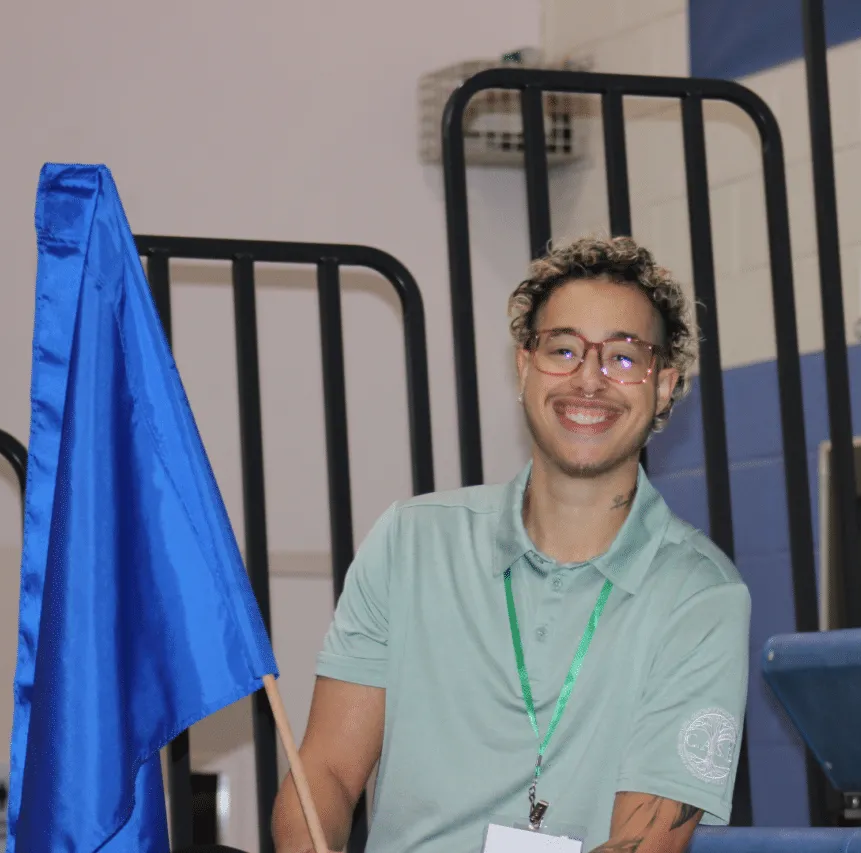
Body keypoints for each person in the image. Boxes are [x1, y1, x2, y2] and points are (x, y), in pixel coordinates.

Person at [271, 235, 751, 853]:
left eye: (625, 358)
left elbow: (645, 843)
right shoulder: (409, 542)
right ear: (524, 367)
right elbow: (327, 771)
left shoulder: (702, 596)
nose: (589, 380)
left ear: (664, 386)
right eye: (564, 349)